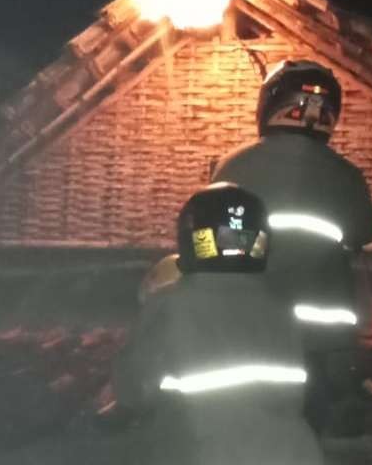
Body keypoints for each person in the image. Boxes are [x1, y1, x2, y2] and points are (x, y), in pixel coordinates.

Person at [211, 60, 372, 430]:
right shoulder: (346, 175)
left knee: (248, 428)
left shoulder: (232, 165)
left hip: (248, 329)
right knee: (315, 429)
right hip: (322, 342)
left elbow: (213, 242)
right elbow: (365, 231)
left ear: (270, 104)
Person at [111, 183, 323, 465]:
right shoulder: (282, 307)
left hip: (202, 455)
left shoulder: (170, 304)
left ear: (192, 240)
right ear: (260, 241)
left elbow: (132, 390)